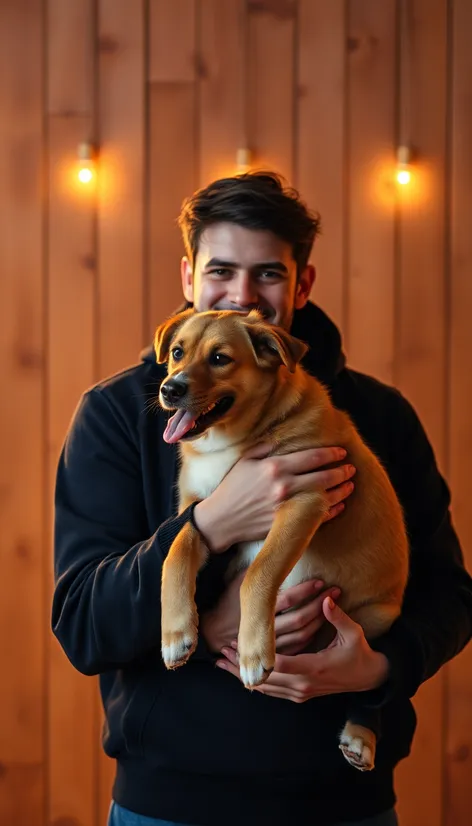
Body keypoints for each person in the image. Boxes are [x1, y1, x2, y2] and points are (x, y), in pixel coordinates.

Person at [52, 171, 472, 826]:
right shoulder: (116, 415)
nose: (244, 296)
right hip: (169, 804)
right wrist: (214, 527)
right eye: (221, 270)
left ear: (302, 283)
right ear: (189, 276)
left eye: (268, 275)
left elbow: (449, 595)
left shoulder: (378, 416)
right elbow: (81, 622)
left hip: (344, 803)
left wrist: (376, 671)